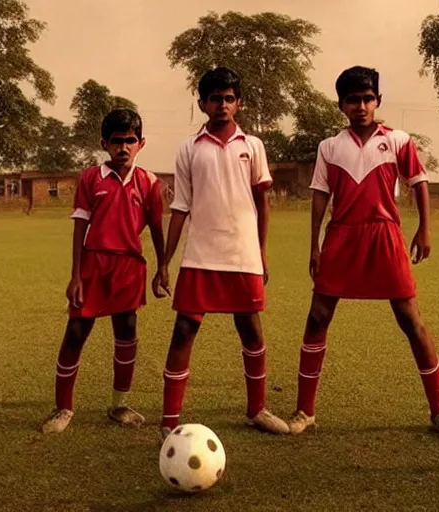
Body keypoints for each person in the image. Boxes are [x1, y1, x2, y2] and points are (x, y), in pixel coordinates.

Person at [285, 66, 439, 441]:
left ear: (378, 101)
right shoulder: (329, 147)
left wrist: (425, 228)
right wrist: (315, 244)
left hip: (385, 234)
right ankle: (305, 411)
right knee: (317, 316)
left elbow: (419, 182)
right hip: (342, 235)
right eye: (353, 99)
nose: (361, 106)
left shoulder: (399, 140)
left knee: (410, 319)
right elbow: (320, 195)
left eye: (368, 99)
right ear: (342, 105)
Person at [157, 67, 288, 439]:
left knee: (250, 330)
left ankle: (257, 409)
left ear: (239, 103)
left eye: (229, 98)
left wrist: (261, 253)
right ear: (202, 103)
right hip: (200, 254)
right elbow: (180, 207)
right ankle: (169, 423)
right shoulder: (188, 148)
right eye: (215, 98)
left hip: (242, 253)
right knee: (183, 330)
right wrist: (165, 263)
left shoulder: (253, 146)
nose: (223, 105)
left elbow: (263, 203)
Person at [40, 109, 166, 434]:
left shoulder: (150, 183)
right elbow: (80, 226)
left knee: (126, 334)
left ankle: (119, 404)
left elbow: (156, 227)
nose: (123, 147)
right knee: (76, 332)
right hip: (93, 263)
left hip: (129, 266)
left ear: (141, 143)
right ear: (104, 144)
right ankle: (63, 408)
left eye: (130, 141)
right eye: (116, 141)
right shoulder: (90, 178)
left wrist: (162, 267)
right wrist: (75, 275)